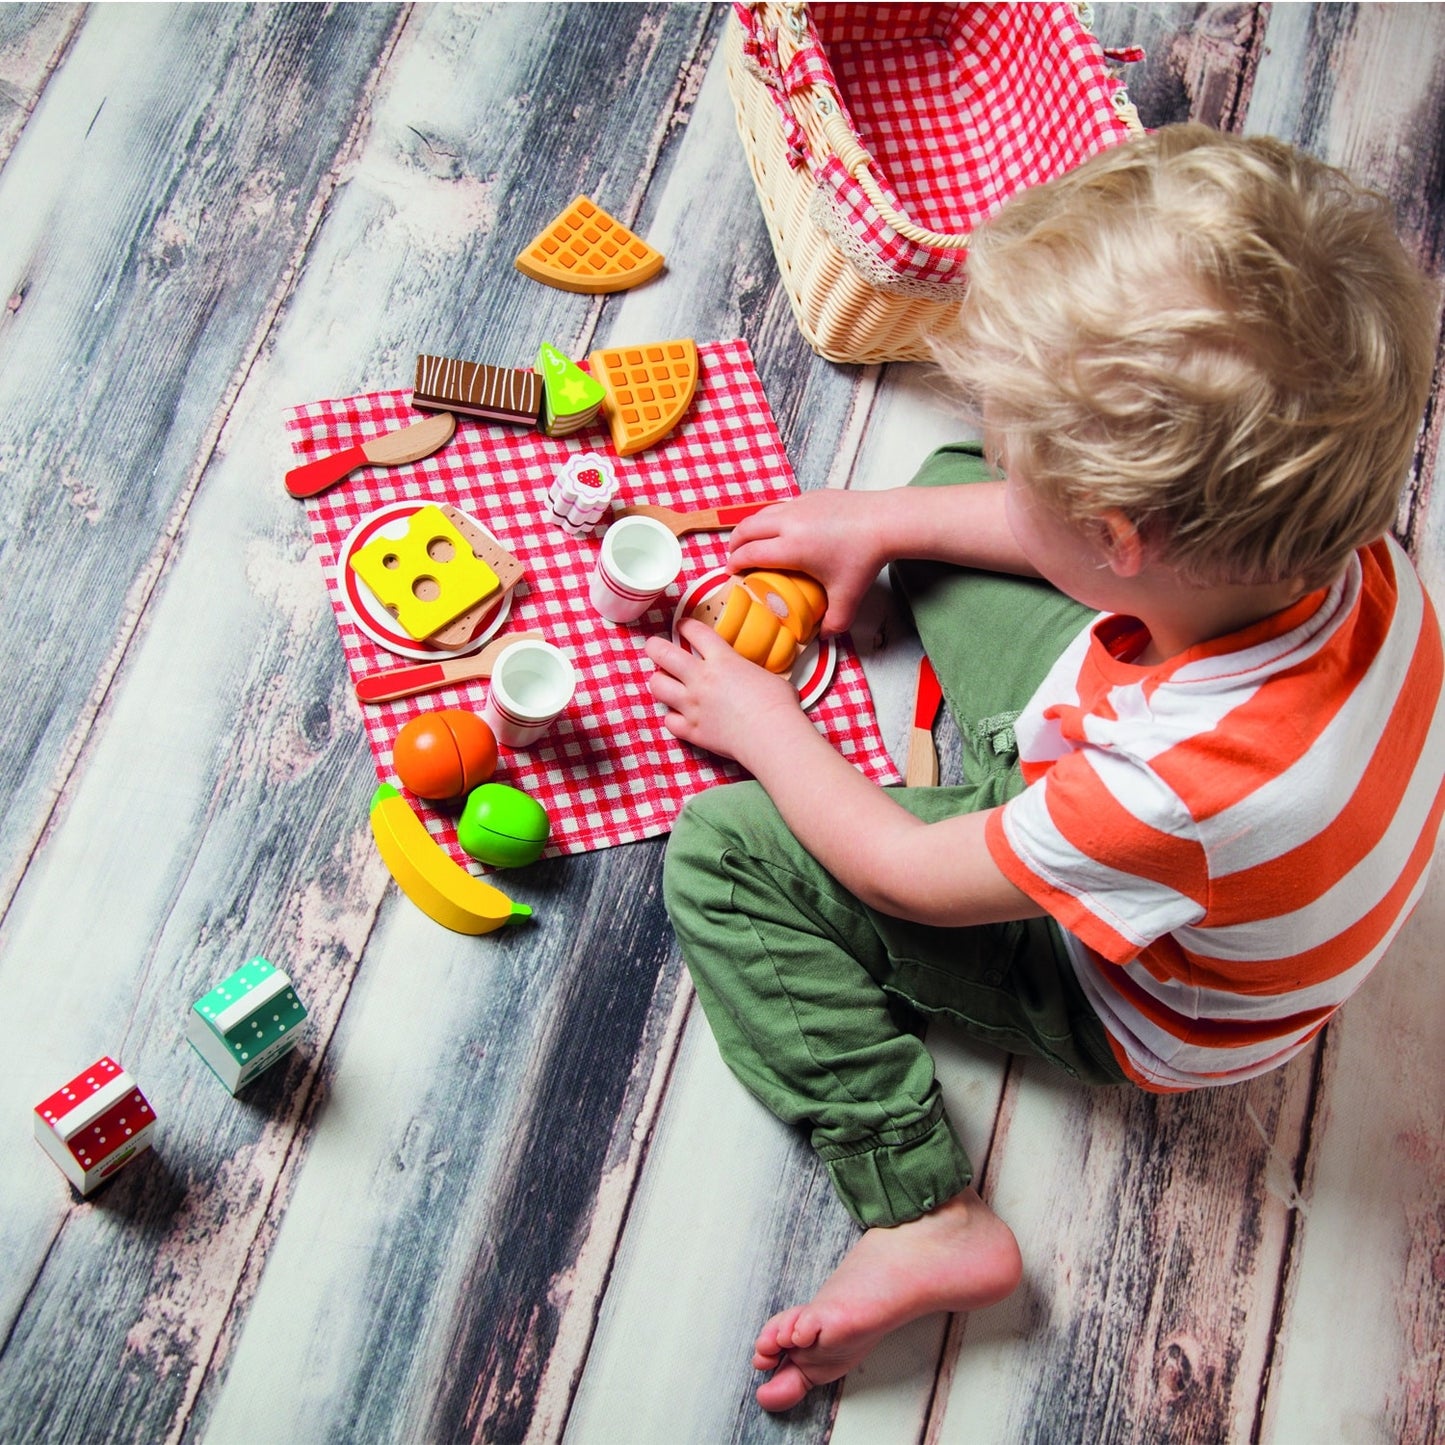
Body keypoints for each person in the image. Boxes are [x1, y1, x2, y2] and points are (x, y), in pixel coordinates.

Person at [644, 123, 1444, 1413]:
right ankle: (969, 538)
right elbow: (1061, 535)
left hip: (1127, 984)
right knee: (942, 492)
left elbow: (902, 872)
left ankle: (924, 1213)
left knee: (723, 856)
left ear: (1121, 542)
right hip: (1164, 742)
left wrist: (762, 723)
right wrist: (885, 519)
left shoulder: (1181, 789)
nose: (997, 451)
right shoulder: (1337, 541)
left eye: (1034, 470)